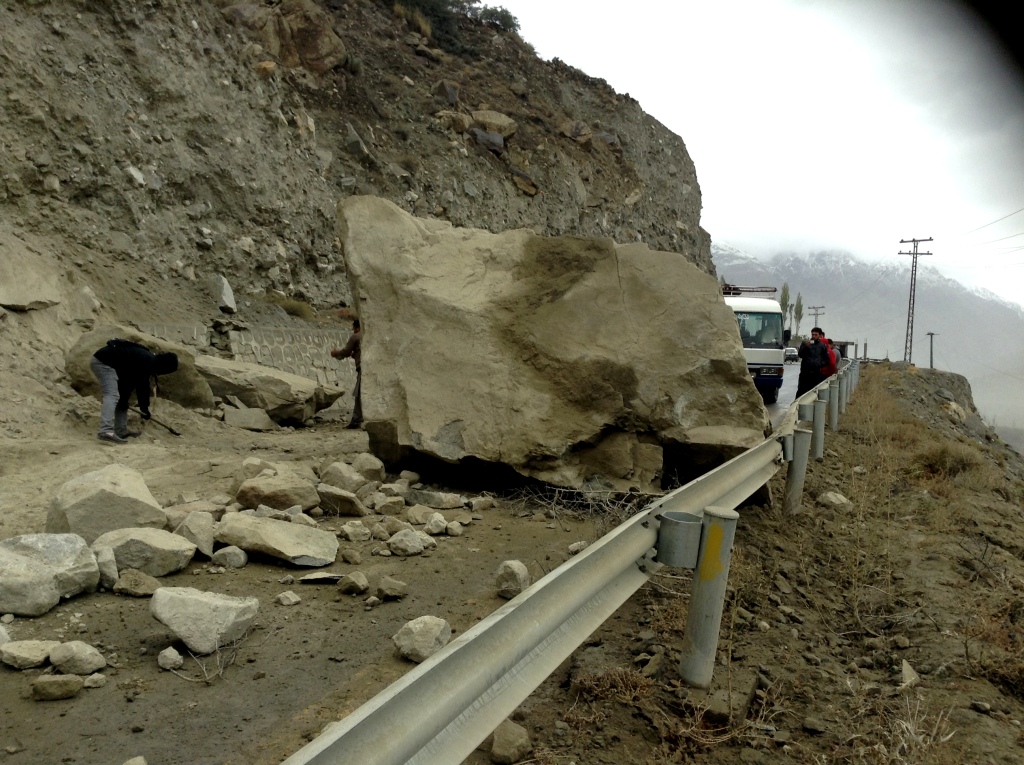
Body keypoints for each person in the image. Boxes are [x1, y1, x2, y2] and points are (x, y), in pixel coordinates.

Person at [90, 338, 179, 443]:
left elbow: (129, 381)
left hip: (110, 364)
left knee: (122, 399)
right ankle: (105, 431)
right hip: (103, 363)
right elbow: (142, 386)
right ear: (165, 366)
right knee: (112, 395)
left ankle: (120, 430)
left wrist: (125, 399)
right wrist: (144, 409)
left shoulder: (148, 358)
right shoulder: (147, 361)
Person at [331, 318, 362, 429]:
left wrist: (336, 353)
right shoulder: (367, 335)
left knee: (359, 394)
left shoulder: (356, 336)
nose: (353, 331)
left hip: (363, 368)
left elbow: (346, 351)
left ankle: (356, 420)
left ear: (357, 327)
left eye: (354, 328)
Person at [795, 327, 831, 398]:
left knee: (813, 392)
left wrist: (820, 365)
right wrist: (806, 347)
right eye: (812, 334)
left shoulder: (822, 346)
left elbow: (827, 359)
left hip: (816, 373)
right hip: (805, 373)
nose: (814, 336)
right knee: (801, 391)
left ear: (820, 335)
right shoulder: (805, 343)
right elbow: (800, 355)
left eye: (816, 335)